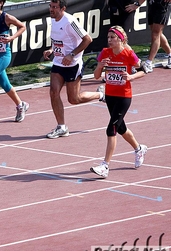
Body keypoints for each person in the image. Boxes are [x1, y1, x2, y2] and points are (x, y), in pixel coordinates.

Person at [90, 26, 147, 178]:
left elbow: (143, 70)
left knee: (111, 129)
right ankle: (139, 148)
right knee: (121, 129)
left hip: (124, 97)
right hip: (110, 96)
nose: (109, 40)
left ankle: (105, 166)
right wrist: (100, 66)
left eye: (112, 37)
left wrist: (130, 77)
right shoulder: (105, 53)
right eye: (108, 37)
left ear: (121, 39)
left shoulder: (128, 54)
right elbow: (96, 76)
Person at [43, 0, 105, 139]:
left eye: (54, 7)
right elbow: (60, 40)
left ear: (63, 8)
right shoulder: (53, 19)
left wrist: (71, 55)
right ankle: (61, 127)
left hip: (73, 64)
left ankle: (101, 95)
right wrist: (52, 49)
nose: (51, 10)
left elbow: (87, 39)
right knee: (54, 92)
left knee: (74, 99)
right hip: (58, 62)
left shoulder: (70, 21)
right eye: (50, 7)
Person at [140, 0, 171, 73]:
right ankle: (170, 54)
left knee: (155, 34)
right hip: (152, 5)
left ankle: (149, 62)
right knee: (157, 33)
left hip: (162, 5)